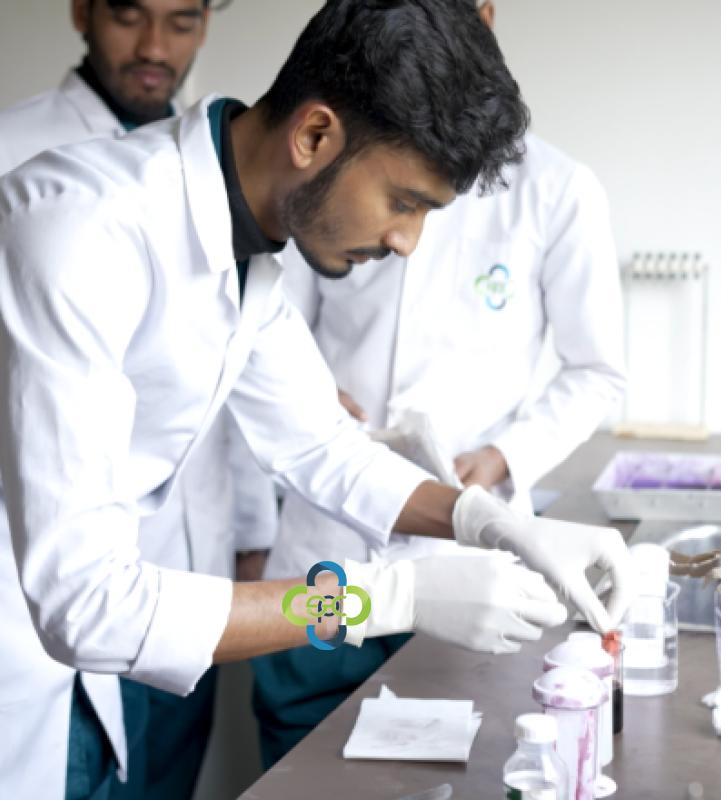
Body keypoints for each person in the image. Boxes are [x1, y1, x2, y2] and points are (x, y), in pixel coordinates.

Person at [0, 2, 633, 797]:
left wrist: (488, 522)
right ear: (314, 135)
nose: (406, 241)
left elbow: (319, 445)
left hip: (64, 677)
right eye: (404, 202)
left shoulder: (247, 244)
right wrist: (393, 597)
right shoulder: (77, 231)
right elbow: (85, 602)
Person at [247, 0, 630, 767]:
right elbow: (265, 337)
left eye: (421, 208)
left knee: (454, 765)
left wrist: (502, 466)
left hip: (466, 559)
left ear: (485, 13)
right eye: (402, 204)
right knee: (302, 766)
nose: (403, 241)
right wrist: (303, 401)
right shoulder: (324, 183)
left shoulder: (555, 189)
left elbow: (597, 372)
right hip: (325, 534)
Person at [0, 2, 253, 796]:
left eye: (182, 20)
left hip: (193, 580)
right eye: (129, 14)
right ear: (82, 11)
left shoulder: (219, 164)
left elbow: (239, 368)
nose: (154, 46)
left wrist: (252, 533)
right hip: (48, 595)